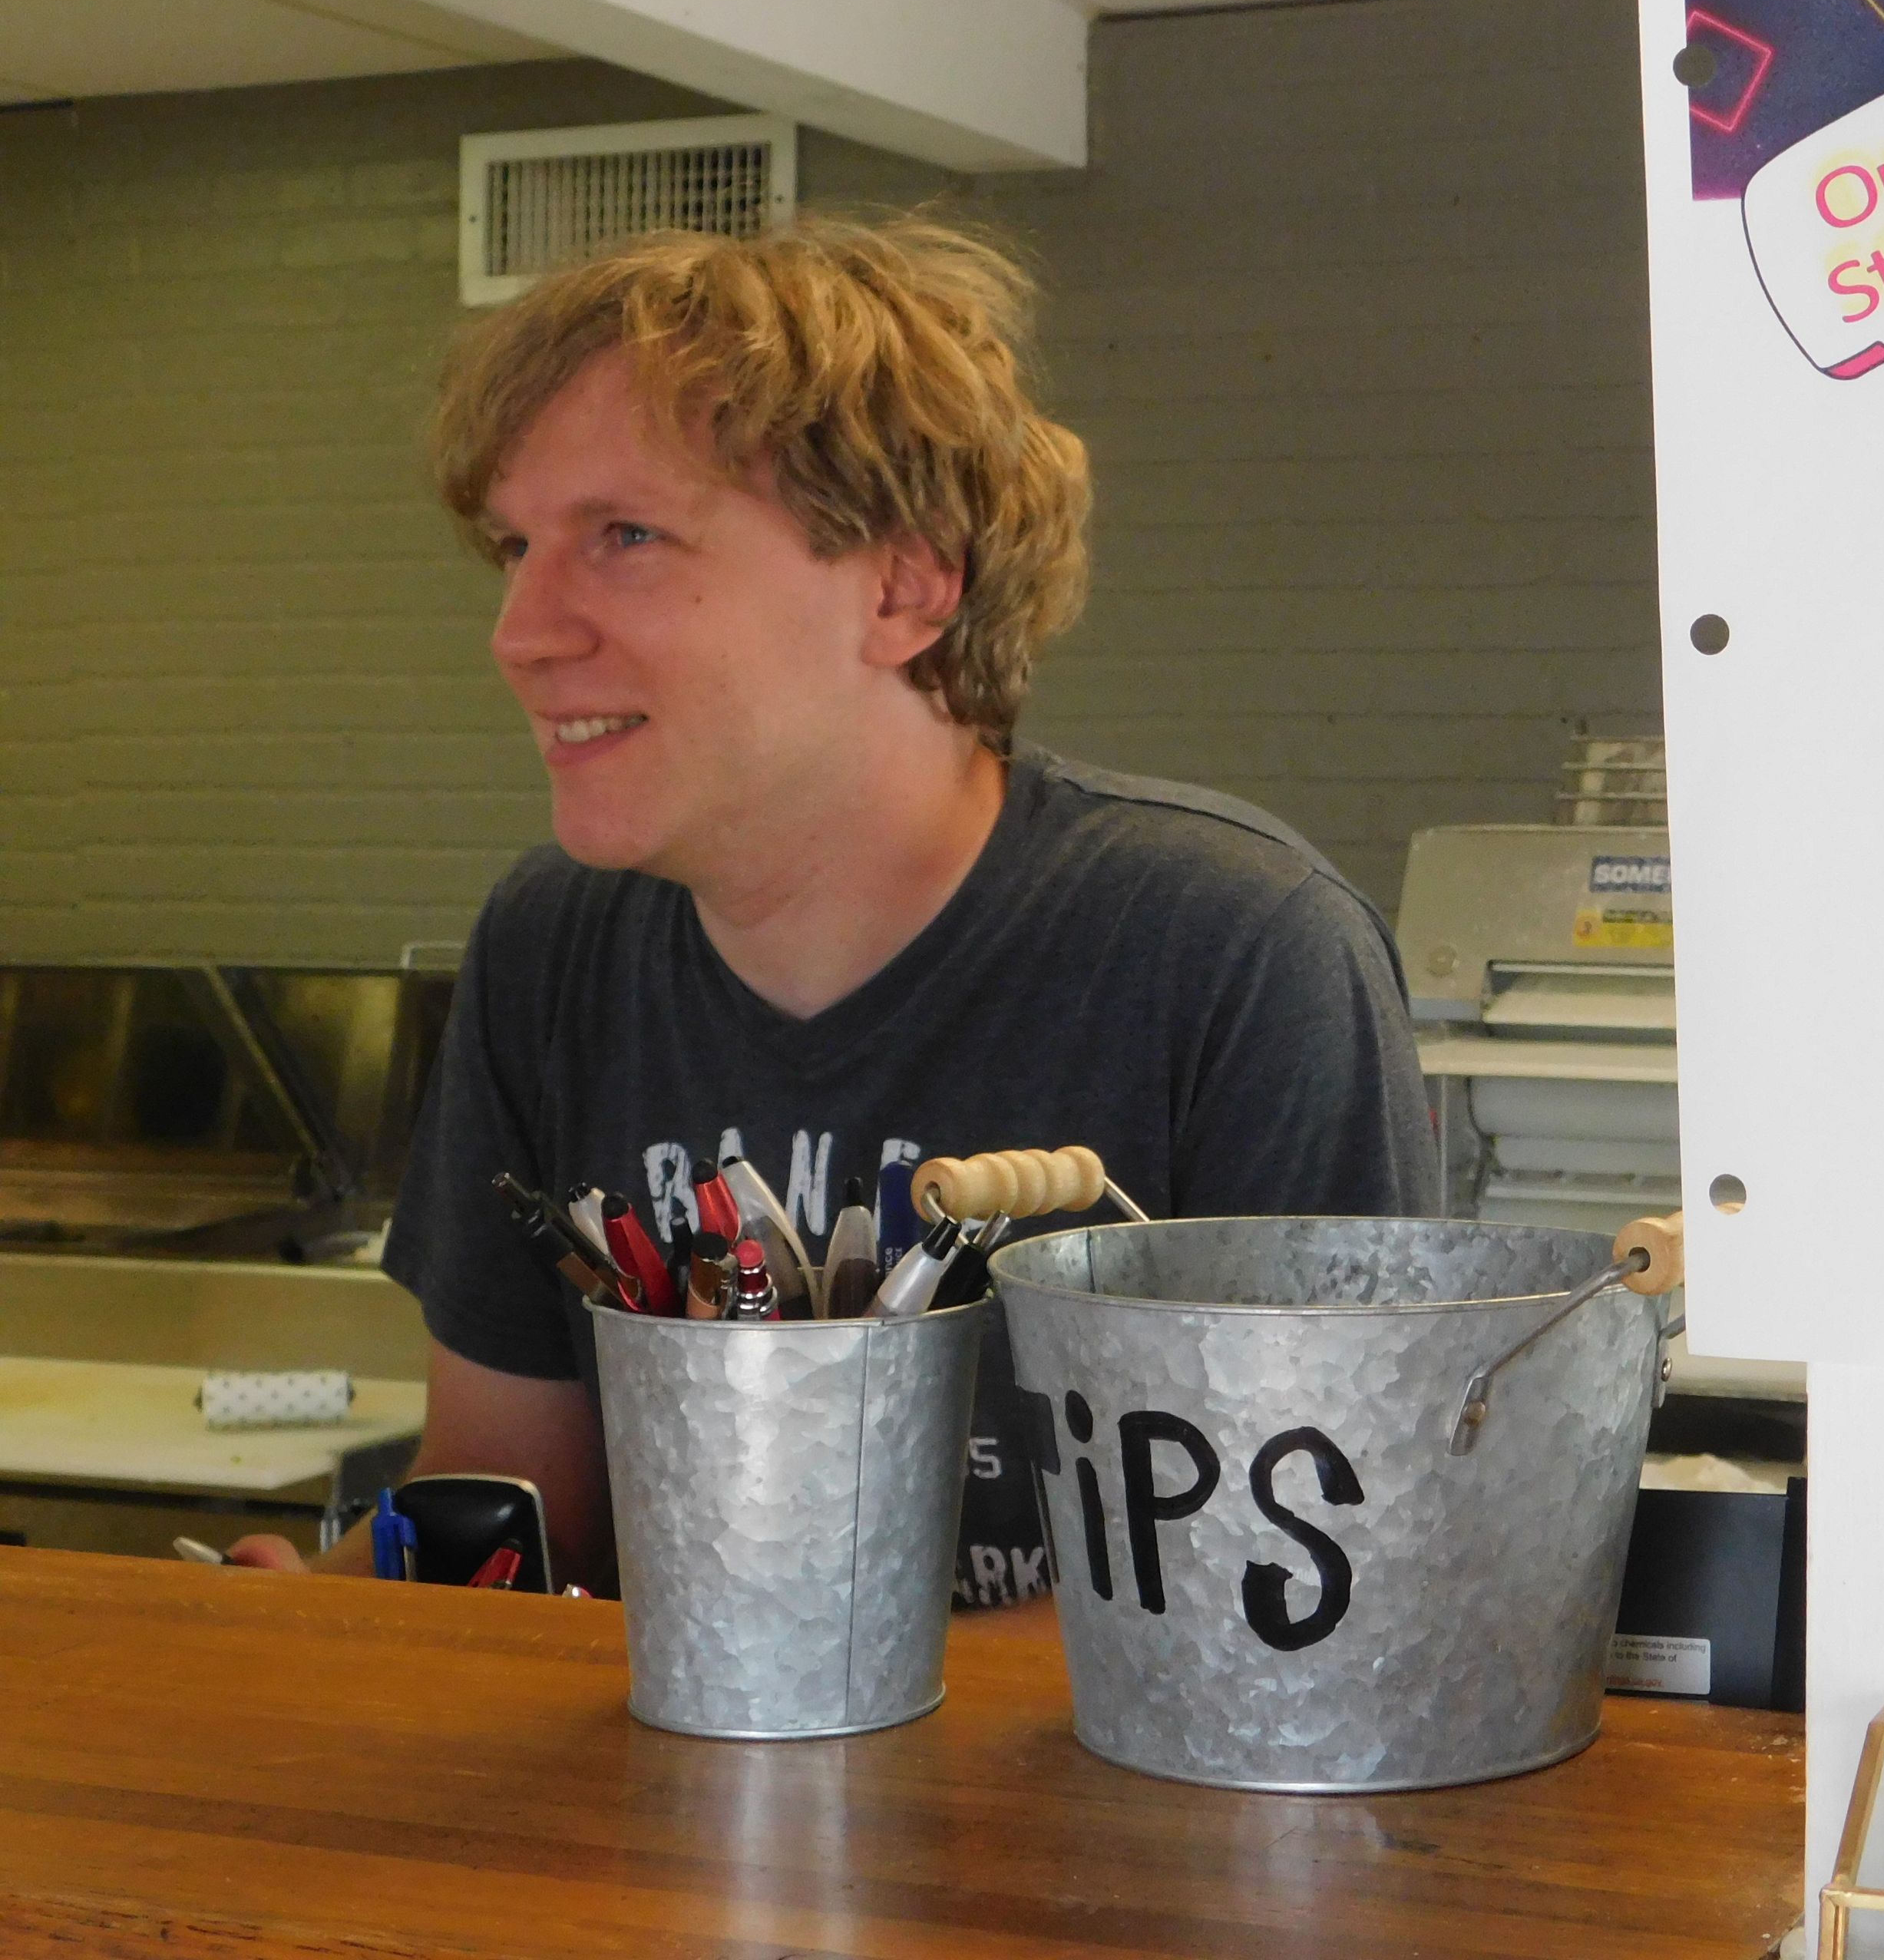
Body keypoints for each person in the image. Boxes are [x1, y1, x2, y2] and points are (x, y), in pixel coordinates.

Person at [230, 217, 1438, 1594]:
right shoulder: (552, 946)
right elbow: (510, 1507)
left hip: (1087, 1813)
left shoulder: (1235, 954)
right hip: (654, 1804)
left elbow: (1314, 1601)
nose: (522, 633)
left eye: (624, 535)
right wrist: (307, 1624)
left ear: (906, 583)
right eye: (516, 548)